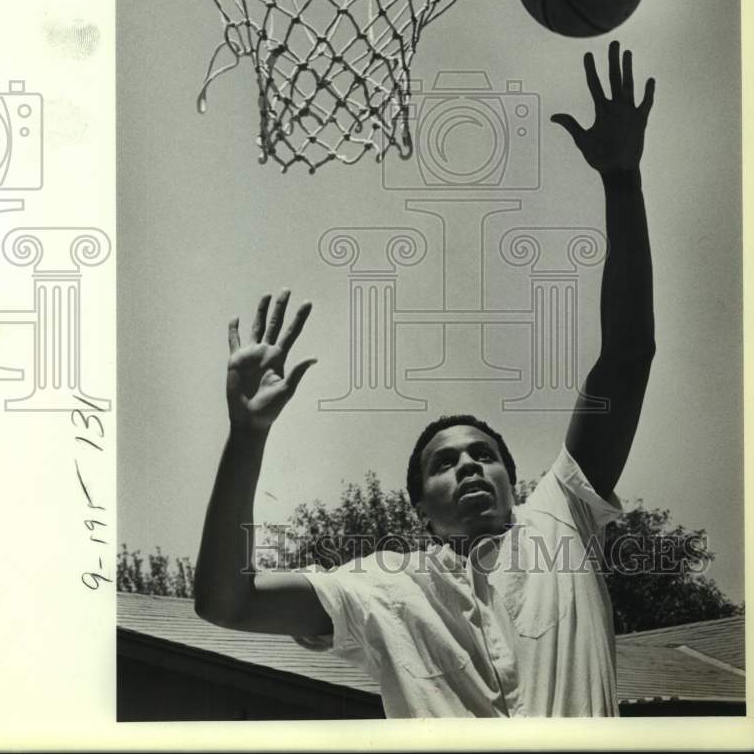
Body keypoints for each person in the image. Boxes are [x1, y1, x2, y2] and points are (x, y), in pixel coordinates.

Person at [194, 40, 656, 717]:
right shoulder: (382, 588)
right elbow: (224, 602)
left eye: (484, 455)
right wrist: (247, 435)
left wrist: (622, 180)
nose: (468, 465)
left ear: (513, 481)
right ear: (419, 510)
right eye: (444, 462)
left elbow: (628, 353)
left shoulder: (561, 515)